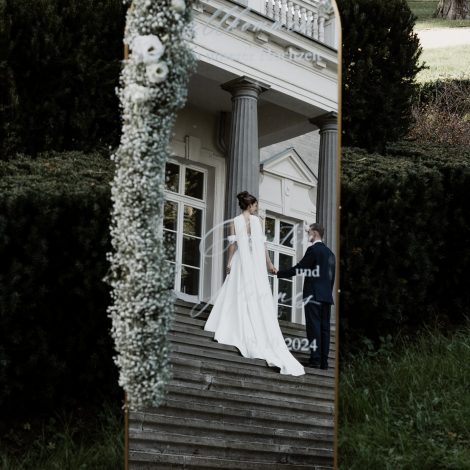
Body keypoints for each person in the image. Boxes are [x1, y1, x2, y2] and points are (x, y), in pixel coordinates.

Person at [204, 191, 305, 376]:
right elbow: (263, 246)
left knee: (238, 293)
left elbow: (233, 246)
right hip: (255, 266)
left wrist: (228, 262)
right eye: (256, 205)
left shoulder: (235, 221)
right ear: (250, 205)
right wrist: (269, 264)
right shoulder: (258, 222)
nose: (257, 208)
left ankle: (237, 324)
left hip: (243, 263)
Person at [276, 223, 335, 370]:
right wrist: (327, 292)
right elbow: (331, 278)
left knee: (313, 327)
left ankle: (315, 360)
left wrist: (279, 273)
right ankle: (324, 362)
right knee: (324, 329)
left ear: (315, 233)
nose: (307, 234)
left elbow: (300, 268)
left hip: (313, 295)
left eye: (309, 232)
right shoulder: (330, 254)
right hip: (326, 296)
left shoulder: (313, 250)